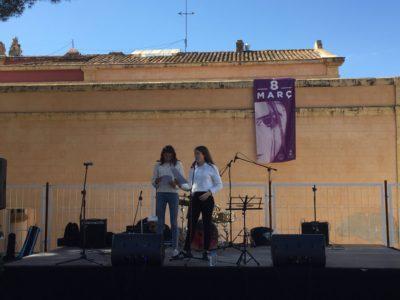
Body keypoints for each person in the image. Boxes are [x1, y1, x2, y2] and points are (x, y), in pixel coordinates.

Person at [183, 145, 223, 260]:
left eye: (198, 154)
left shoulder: (211, 167)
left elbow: (219, 184)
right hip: (195, 197)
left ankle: (206, 251)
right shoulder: (193, 167)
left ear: (204, 154)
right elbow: (189, 186)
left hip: (207, 197)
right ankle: (187, 250)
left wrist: (209, 192)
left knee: (207, 225)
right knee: (191, 224)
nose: (196, 156)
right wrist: (180, 184)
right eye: (195, 154)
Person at [152, 145, 185, 258]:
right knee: (160, 221)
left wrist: (174, 184)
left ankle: (175, 248)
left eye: (169, 155)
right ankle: (158, 247)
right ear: (163, 155)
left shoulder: (178, 164)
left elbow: (181, 183)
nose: (167, 157)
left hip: (173, 194)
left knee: (174, 222)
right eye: (165, 155)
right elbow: (153, 181)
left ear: (173, 155)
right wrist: (158, 180)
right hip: (161, 193)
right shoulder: (158, 165)